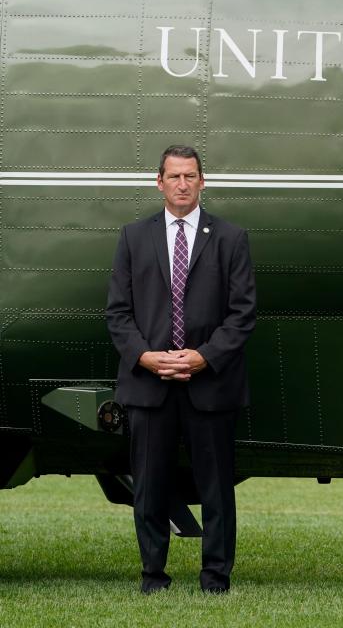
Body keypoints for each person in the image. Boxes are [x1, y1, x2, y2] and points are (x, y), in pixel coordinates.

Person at [106, 145, 256, 594]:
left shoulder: (230, 238)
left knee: (216, 491)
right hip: (148, 386)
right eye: (174, 177)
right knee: (149, 489)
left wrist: (203, 356)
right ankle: (153, 577)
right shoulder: (134, 237)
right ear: (159, 182)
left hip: (209, 385)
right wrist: (146, 358)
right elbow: (118, 313)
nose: (183, 184)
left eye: (191, 176)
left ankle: (216, 579)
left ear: (202, 182)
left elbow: (242, 313)